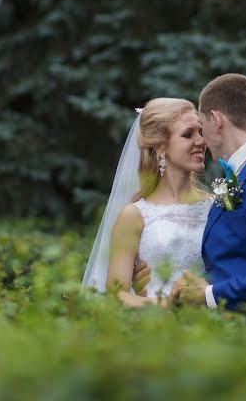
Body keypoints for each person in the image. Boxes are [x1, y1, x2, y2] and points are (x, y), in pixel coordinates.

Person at [134, 74, 246, 331]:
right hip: (229, 339)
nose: (201, 140)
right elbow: (226, 257)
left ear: (216, 121)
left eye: (201, 127)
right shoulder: (237, 176)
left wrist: (209, 296)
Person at [82, 98, 212, 307]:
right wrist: (166, 303)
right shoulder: (134, 216)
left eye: (200, 132)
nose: (201, 141)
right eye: (188, 134)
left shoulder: (215, 207)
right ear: (160, 147)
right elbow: (115, 296)